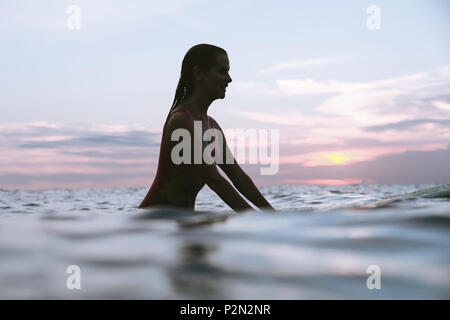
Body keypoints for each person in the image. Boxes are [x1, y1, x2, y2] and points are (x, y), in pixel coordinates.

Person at [139, 44, 274, 213]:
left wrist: (272, 215)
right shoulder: (181, 121)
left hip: (179, 224)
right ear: (198, 74)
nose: (229, 79)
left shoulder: (211, 126)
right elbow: (215, 181)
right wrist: (258, 221)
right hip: (154, 226)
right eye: (222, 71)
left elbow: (238, 177)